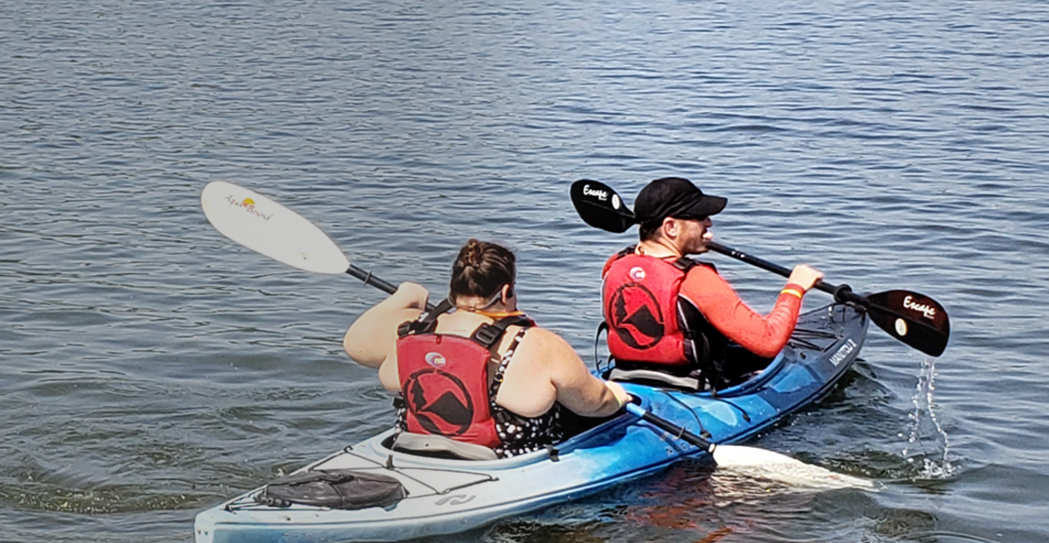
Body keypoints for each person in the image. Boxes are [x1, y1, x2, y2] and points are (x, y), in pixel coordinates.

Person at [344, 239, 631, 459]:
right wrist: (618, 396)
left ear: (453, 290)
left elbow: (354, 344)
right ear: (506, 292)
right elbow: (595, 404)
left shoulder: (411, 330)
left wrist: (406, 295)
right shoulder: (538, 344)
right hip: (499, 463)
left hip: (413, 450)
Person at [600, 177, 825, 389]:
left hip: (625, 377)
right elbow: (768, 342)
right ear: (670, 227)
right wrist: (795, 288)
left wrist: (694, 238)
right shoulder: (696, 280)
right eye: (700, 217)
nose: (709, 222)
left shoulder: (614, 265)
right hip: (692, 387)